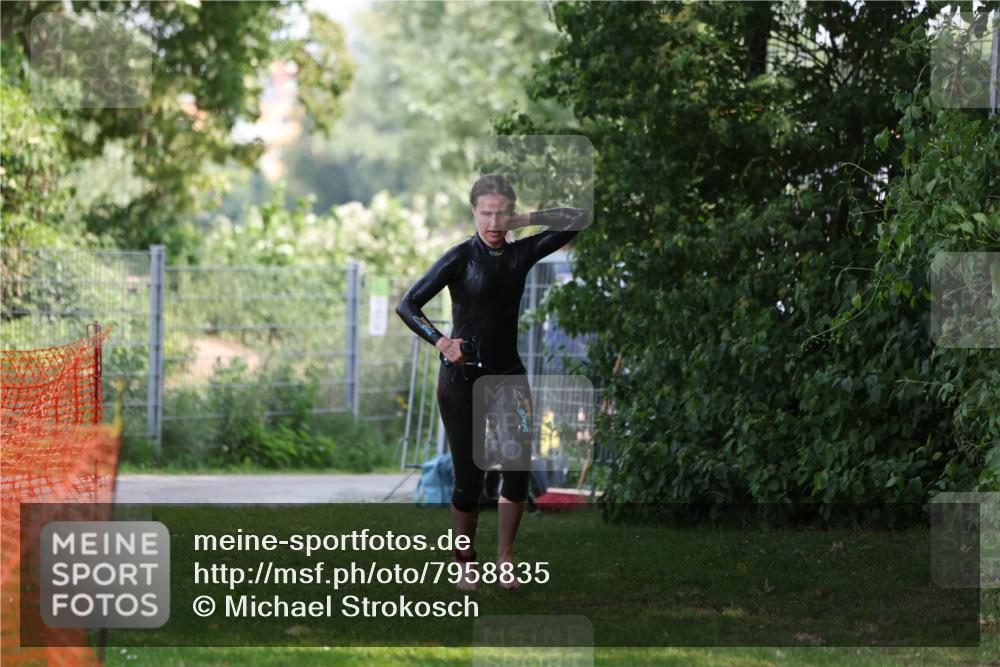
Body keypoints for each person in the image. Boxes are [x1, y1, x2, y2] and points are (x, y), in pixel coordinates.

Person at [396, 174, 590, 590]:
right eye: (486, 213)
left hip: (508, 377)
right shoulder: (460, 257)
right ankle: (465, 562)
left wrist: (524, 219)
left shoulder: (522, 253)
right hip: (461, 381)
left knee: (517, 469)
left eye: (502, 213)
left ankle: (505, 559)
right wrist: (441, 341)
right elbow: (407, 304)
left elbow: (577, 217)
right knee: (470, 477)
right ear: (474, 212)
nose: (493, 222)